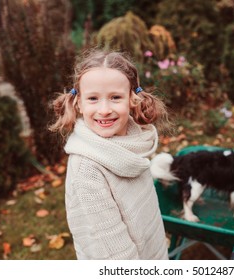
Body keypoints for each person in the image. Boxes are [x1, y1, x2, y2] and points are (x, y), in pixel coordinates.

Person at [49, 49, 169, 260]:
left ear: (132, 99)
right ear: (79, 103)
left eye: (115, 97)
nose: (104, 110)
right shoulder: (87, 170)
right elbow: (114, 254)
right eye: (93, 98)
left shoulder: (133, 145)